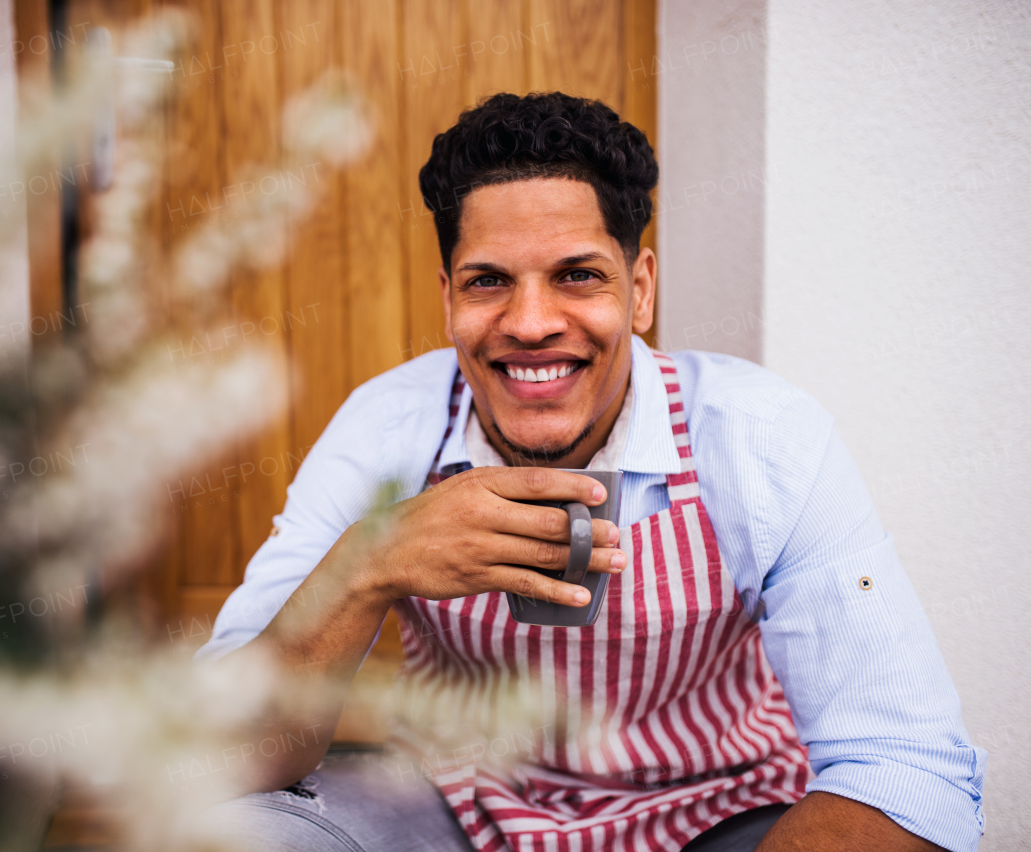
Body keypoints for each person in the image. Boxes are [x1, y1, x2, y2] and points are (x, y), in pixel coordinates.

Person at [196, 92, 984, 852]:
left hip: (718, 811)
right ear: (448, 300)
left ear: (639, 291)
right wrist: (368, 566)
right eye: (489, 281)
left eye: (577, 274)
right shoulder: (387, 429)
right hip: (452, 808)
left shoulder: (760, 437)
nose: (531, 324)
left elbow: (908, 767)